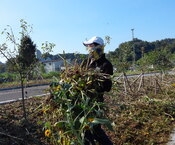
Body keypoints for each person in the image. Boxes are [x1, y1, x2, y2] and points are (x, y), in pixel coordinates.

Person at [82, 36, 113, 145]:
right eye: (88, 46)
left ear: (98, 47)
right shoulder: (86, 62)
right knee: (85, 131)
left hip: (95, 104)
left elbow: (107, 87)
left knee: (95, 130)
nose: (89, 48)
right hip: (83, 103)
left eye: (90, 46)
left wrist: (94, 84)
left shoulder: (106, 64)